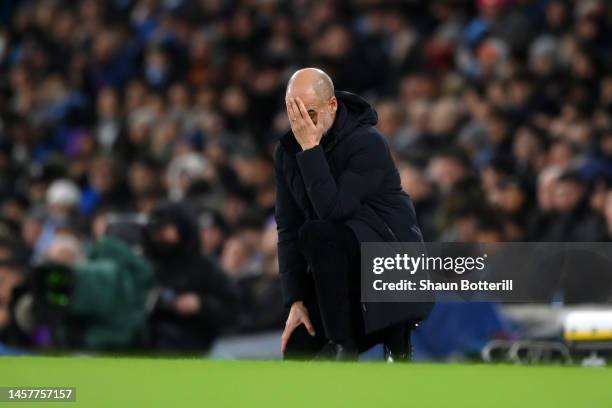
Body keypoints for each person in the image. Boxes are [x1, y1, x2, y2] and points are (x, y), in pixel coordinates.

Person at [274, 68, 432, 361]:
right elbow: (287, 227)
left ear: (331, 105)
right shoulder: (286, 153)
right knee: (297, 352)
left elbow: (333, 211)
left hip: (385, 271)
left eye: (308, 112)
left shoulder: (367, 142)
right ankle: (340, 345)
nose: (301, 124)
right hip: (334, 275)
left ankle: (344, 344)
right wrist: (296, 300)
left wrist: (310, 149)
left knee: (317, 232)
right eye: (293, 112)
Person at [145, 202, 239, 351]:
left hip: (195, 342)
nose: (160, 234)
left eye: (166, 227)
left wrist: (201, 304)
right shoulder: (147, 264)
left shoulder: (204, 267)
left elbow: (233, 310)